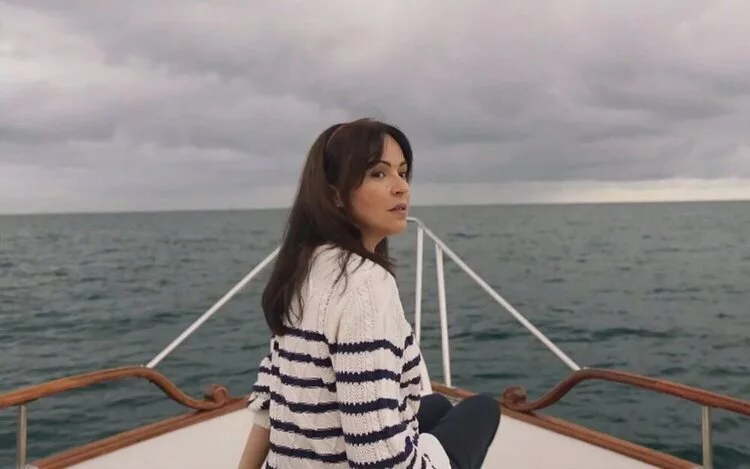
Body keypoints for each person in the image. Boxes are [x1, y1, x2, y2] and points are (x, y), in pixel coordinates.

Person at [237, 118, 500, 469]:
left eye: (402, 173)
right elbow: (375, 458)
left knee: (435, 406)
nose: (401, 188)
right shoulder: (365, 285)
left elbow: (269, 399)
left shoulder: (303, 267)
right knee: (483, 409)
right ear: (335, 195)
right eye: (379, 173)